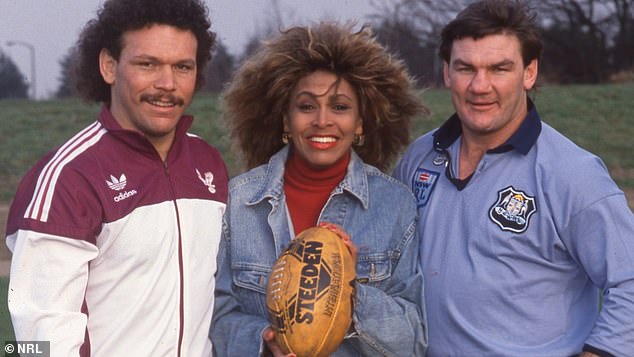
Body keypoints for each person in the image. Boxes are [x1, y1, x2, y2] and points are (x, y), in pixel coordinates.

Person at [393, 1, 634, 356]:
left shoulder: (571, 174)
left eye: (499, 68)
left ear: (529, 72)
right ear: (446, 73)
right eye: (465, 68)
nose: (480, 86)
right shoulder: (419, 158)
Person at [4, 0, 228, 355]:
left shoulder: (209, 164)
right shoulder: (69, 177)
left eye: (183, 66)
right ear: (109, 66)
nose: (168, 83)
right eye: (148, 64)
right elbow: (40, 338)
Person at [211, 22, 428, 356]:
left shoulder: (394, 205)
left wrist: (350, 288)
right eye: (307, 106)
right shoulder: (238, 202)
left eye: (340, 107)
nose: (322, 121)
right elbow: (216, 321)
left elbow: (411, 341)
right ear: (286, 119)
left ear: (359, 123)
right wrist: (265, 341)